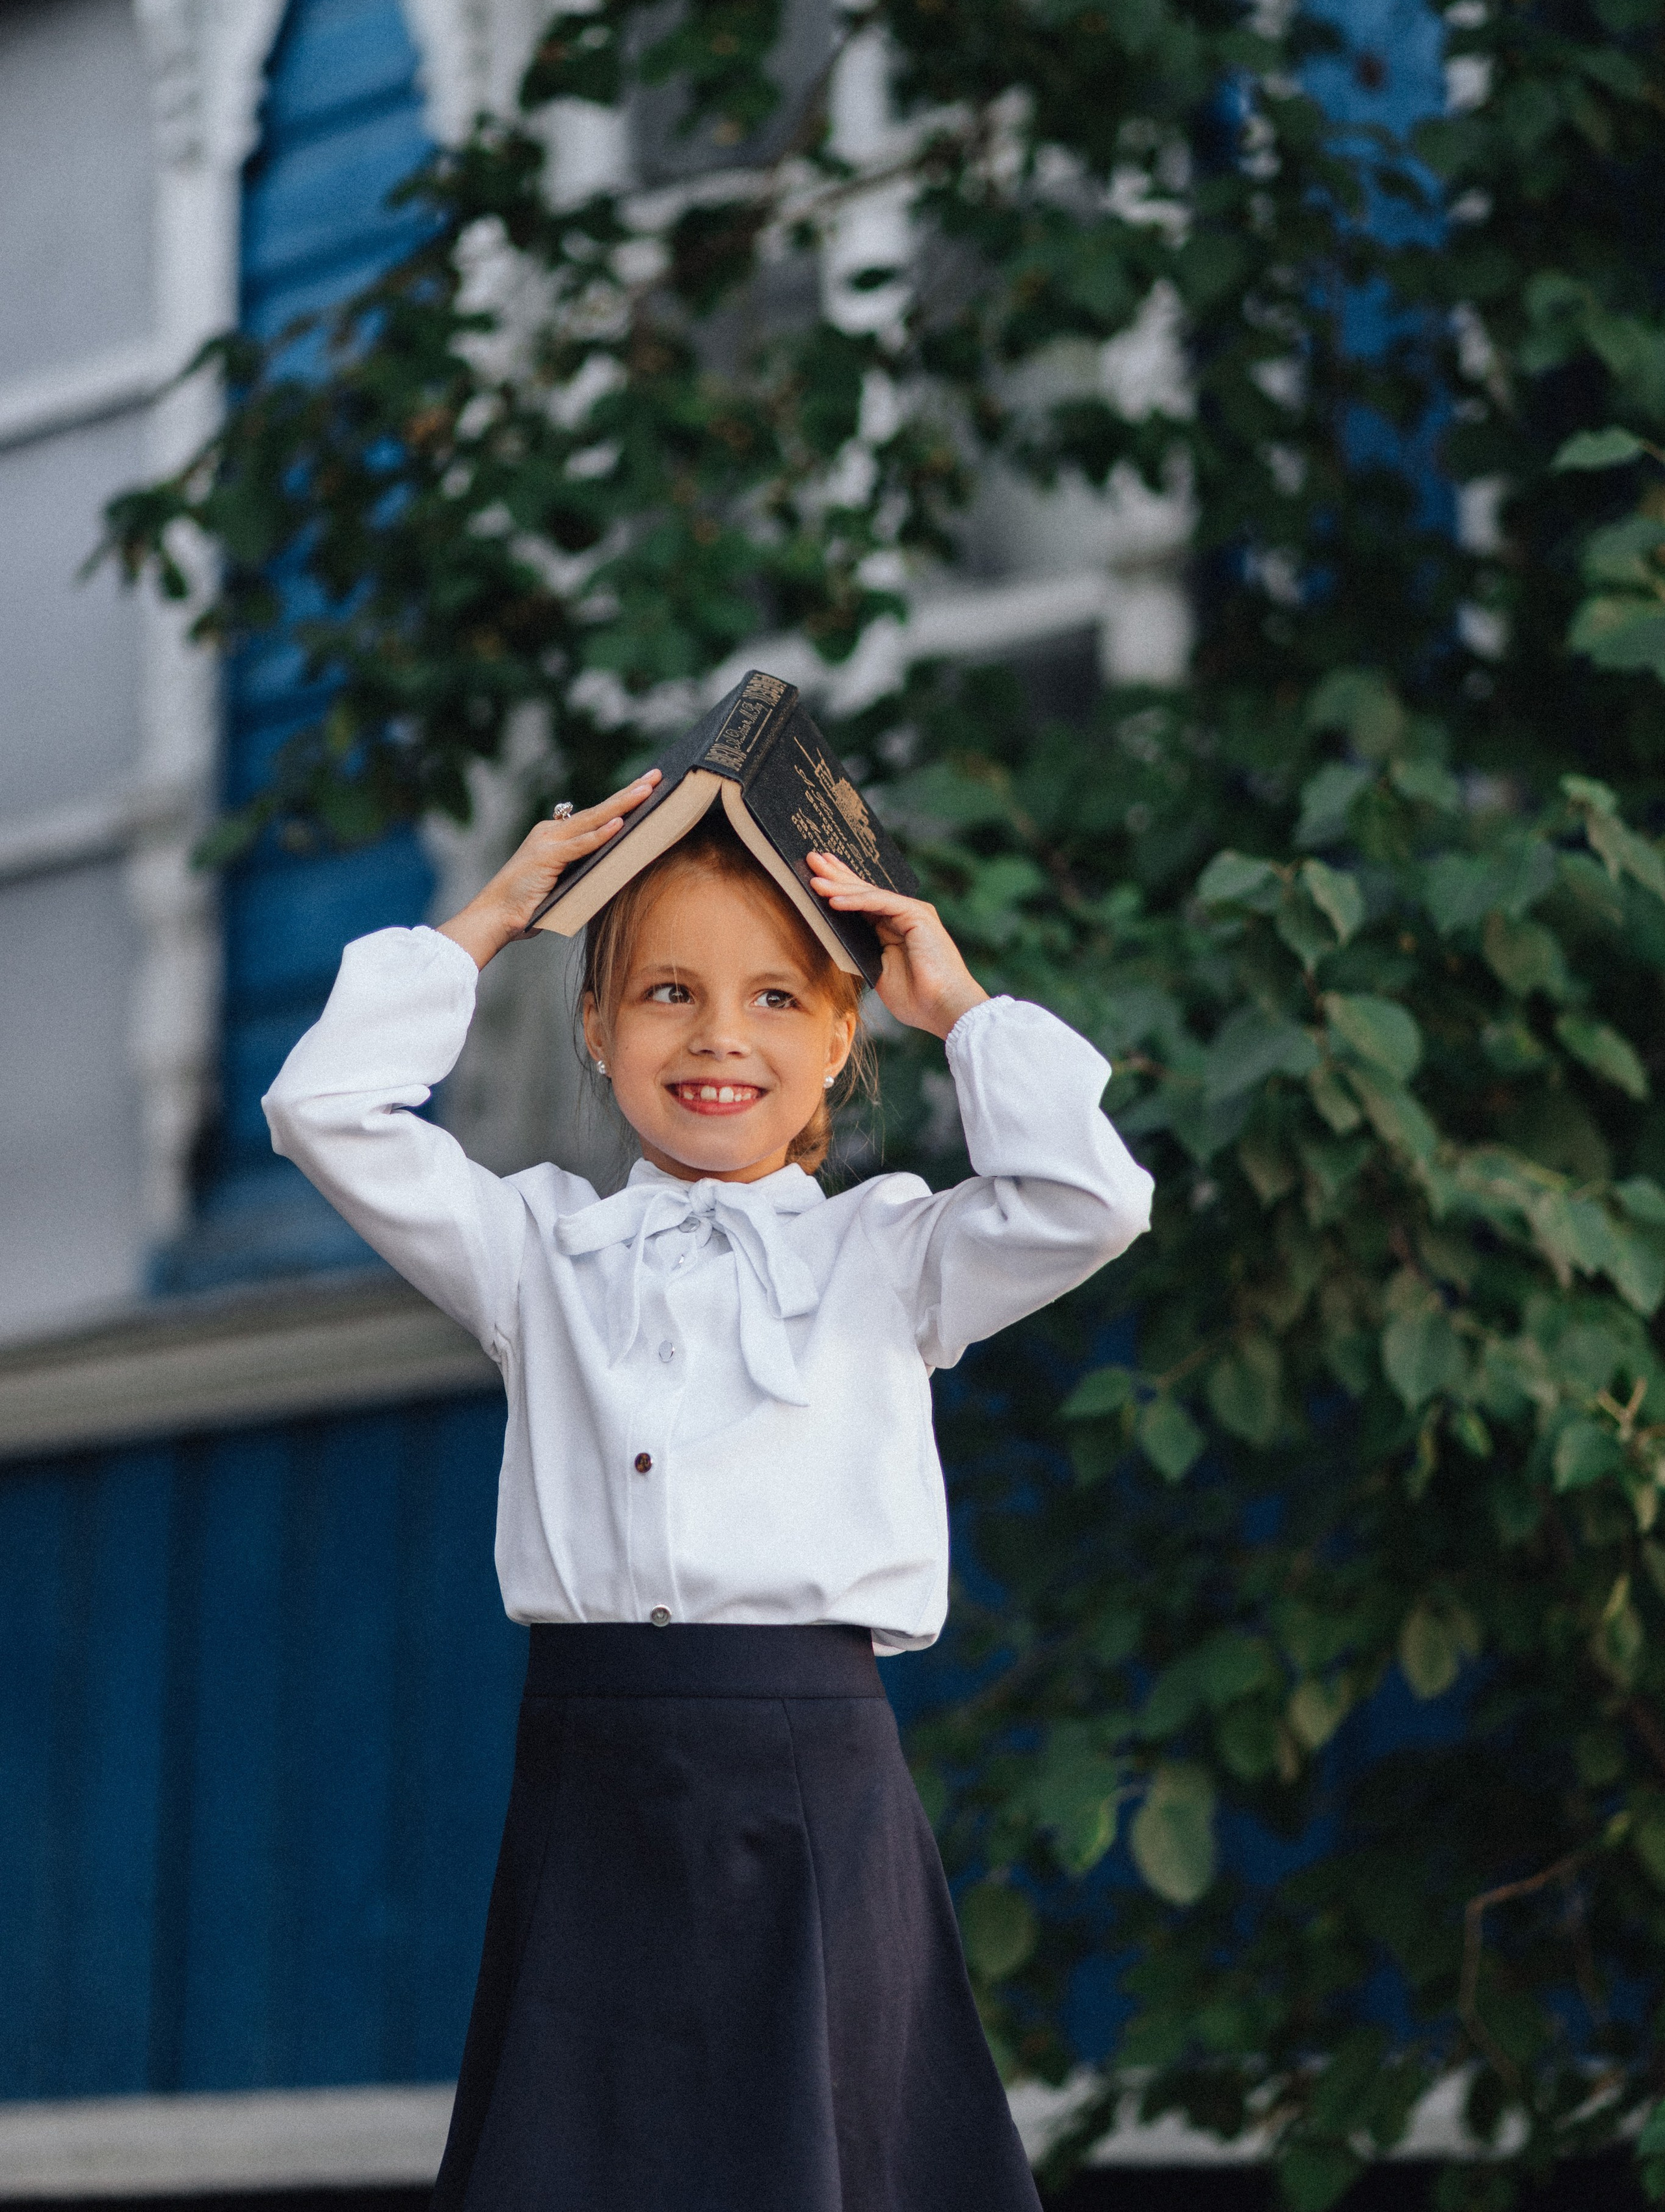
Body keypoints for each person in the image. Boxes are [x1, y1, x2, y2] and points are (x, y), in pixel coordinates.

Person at [262, 769, 1154, 2212]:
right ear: (596, 1027)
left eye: (777, 1000)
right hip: (592, 1779)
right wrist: (488, 923)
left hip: (814, 1788)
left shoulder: (892, 1255)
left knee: (815, 2159)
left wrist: (958, 1008)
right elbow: (325, 1108)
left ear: (841, 1039)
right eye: (667, 993)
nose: (719, 1036)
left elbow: (1091, 1200)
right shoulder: (533, 1252)